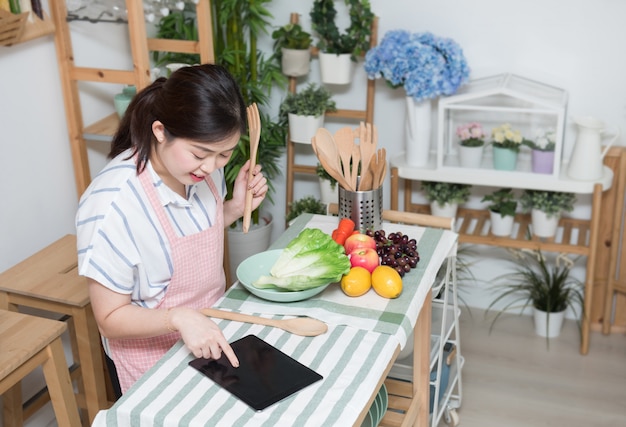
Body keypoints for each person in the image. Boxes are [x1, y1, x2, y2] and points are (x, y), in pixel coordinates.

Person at [75, 64, 268, 395]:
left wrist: (235, 209)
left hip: (211, 336)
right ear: (161, 131)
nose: (210, 167)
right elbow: (109, 318)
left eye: (224, 154)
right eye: (200, 153)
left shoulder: (198, 170)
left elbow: (185, 237)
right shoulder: (113, 205)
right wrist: (179, 318)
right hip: (152, 360)